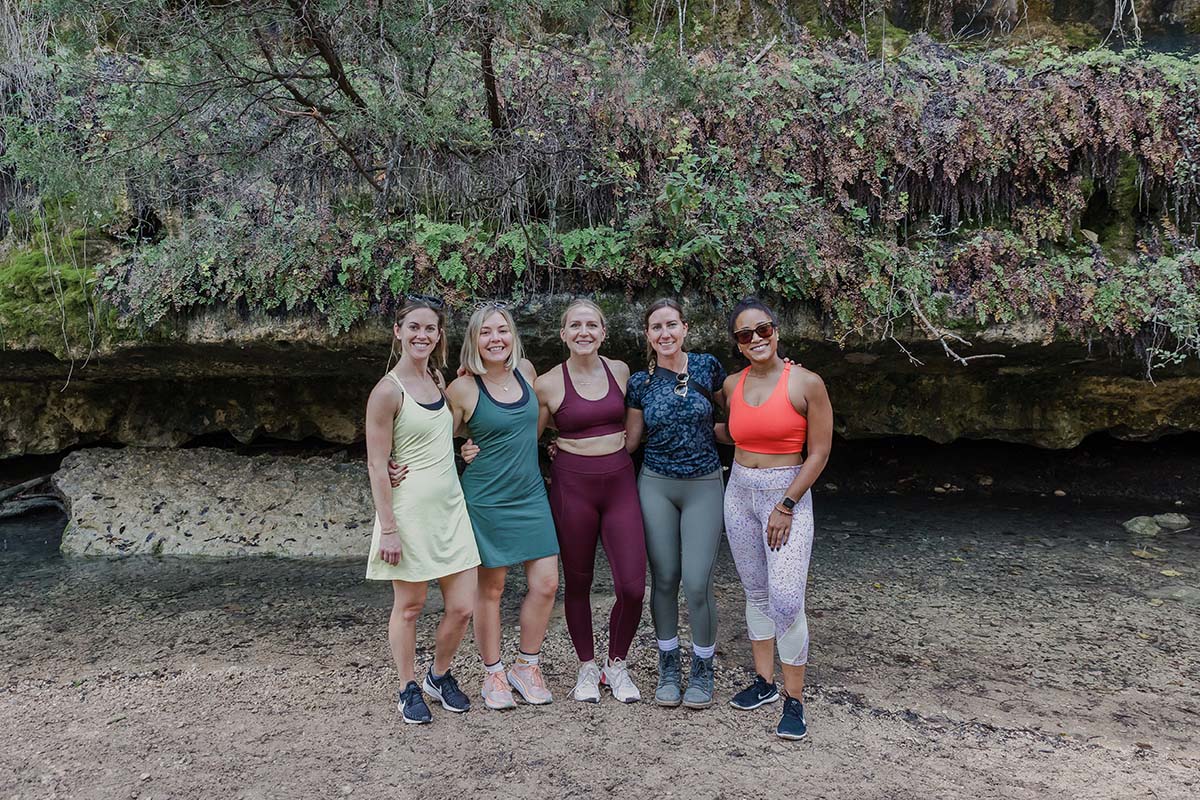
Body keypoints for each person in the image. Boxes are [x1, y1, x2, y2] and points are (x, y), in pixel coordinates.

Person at [718, 297, 832, 741]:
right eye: (745, 334)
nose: (756, 339)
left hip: (786, 494)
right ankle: (764, 683)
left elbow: (819, 452)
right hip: (739, 492)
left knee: (785, 598)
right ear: (738, 344)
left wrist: (786, 504)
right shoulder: (732, 385)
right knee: (756, 592)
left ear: (777, 331)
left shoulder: (806, 383)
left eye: (763, 330)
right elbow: (727, 430)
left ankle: (794, 699)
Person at [364, 299, 481, 725]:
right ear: (398, 331)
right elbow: (377, 464)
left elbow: (442, 433)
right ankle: (406, 687)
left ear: (439, 335)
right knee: (410, 606)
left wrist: (463, 449)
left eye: (430, 328)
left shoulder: (436, 378)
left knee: (463, 606)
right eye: (413, 327)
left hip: (451, 509)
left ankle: (438, 675)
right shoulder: (387, 391)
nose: (422, 335)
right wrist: (388, 529)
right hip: (409, 513)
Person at [444, 304, 560, 710]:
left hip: (530, 494)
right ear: (474, 340)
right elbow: (436, 436)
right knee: (490, 589)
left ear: (513, 335)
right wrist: (463, 449)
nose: (496, 339)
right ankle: (493, 673)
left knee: (546, 584)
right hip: (487, 499)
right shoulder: (463, 388)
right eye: (486, 332)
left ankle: (526, 667)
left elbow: (535, 421)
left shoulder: (526, 371)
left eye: (503, 330)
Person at [536, 298, 647, 703]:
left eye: (591, 325)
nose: (583, 332)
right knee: (578, 581)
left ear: (603, 333)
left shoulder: (621, 371)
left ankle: (616, 665)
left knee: (633, 586)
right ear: (563, 334)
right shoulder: (548, 383)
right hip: (572, 487)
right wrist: (470, 446)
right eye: (575, 325)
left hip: (619, 483)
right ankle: (586, 666)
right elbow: (523, 437)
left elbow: (634, 429)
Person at [624, 299, 727, 709]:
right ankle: (668, 666)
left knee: (697, 581)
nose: (664, 333)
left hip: (703, 482)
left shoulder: (707, 366)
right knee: (664, 578)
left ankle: (702, 668)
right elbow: (630, 442)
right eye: (656, 327)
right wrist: (568, 446)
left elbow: (737, 413)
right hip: (656, 484)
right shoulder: (640, 383)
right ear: (647, 335)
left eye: (671, 325)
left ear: (685, 327)